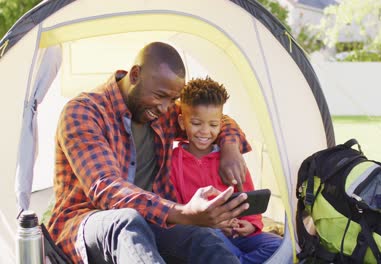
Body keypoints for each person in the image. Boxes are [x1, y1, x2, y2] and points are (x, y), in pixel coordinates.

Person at [46, 42, 252, 264]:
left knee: (204, 238)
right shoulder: (84, 112)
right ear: (135, 75)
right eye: (160, 96)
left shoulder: (161, 112)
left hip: (151, 222)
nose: (166, 108)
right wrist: (182, 212)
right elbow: (106, 188)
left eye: (172, 100)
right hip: (88, 223)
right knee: (126, 221)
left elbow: (215, 119)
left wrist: (230, 148)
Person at [170, 77, 282, 264]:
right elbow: (175, 210)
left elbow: (248, 198)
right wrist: (210, 223)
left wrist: (251, 225)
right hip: (205, 232)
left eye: (213, 125)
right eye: (196, 123)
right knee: (214, 243)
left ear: (221, 124)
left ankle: (236, 260)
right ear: (182, 122)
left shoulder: (231, 161)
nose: (205, 131)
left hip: (239, 234)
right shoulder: (173, 161)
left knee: (278, 245)